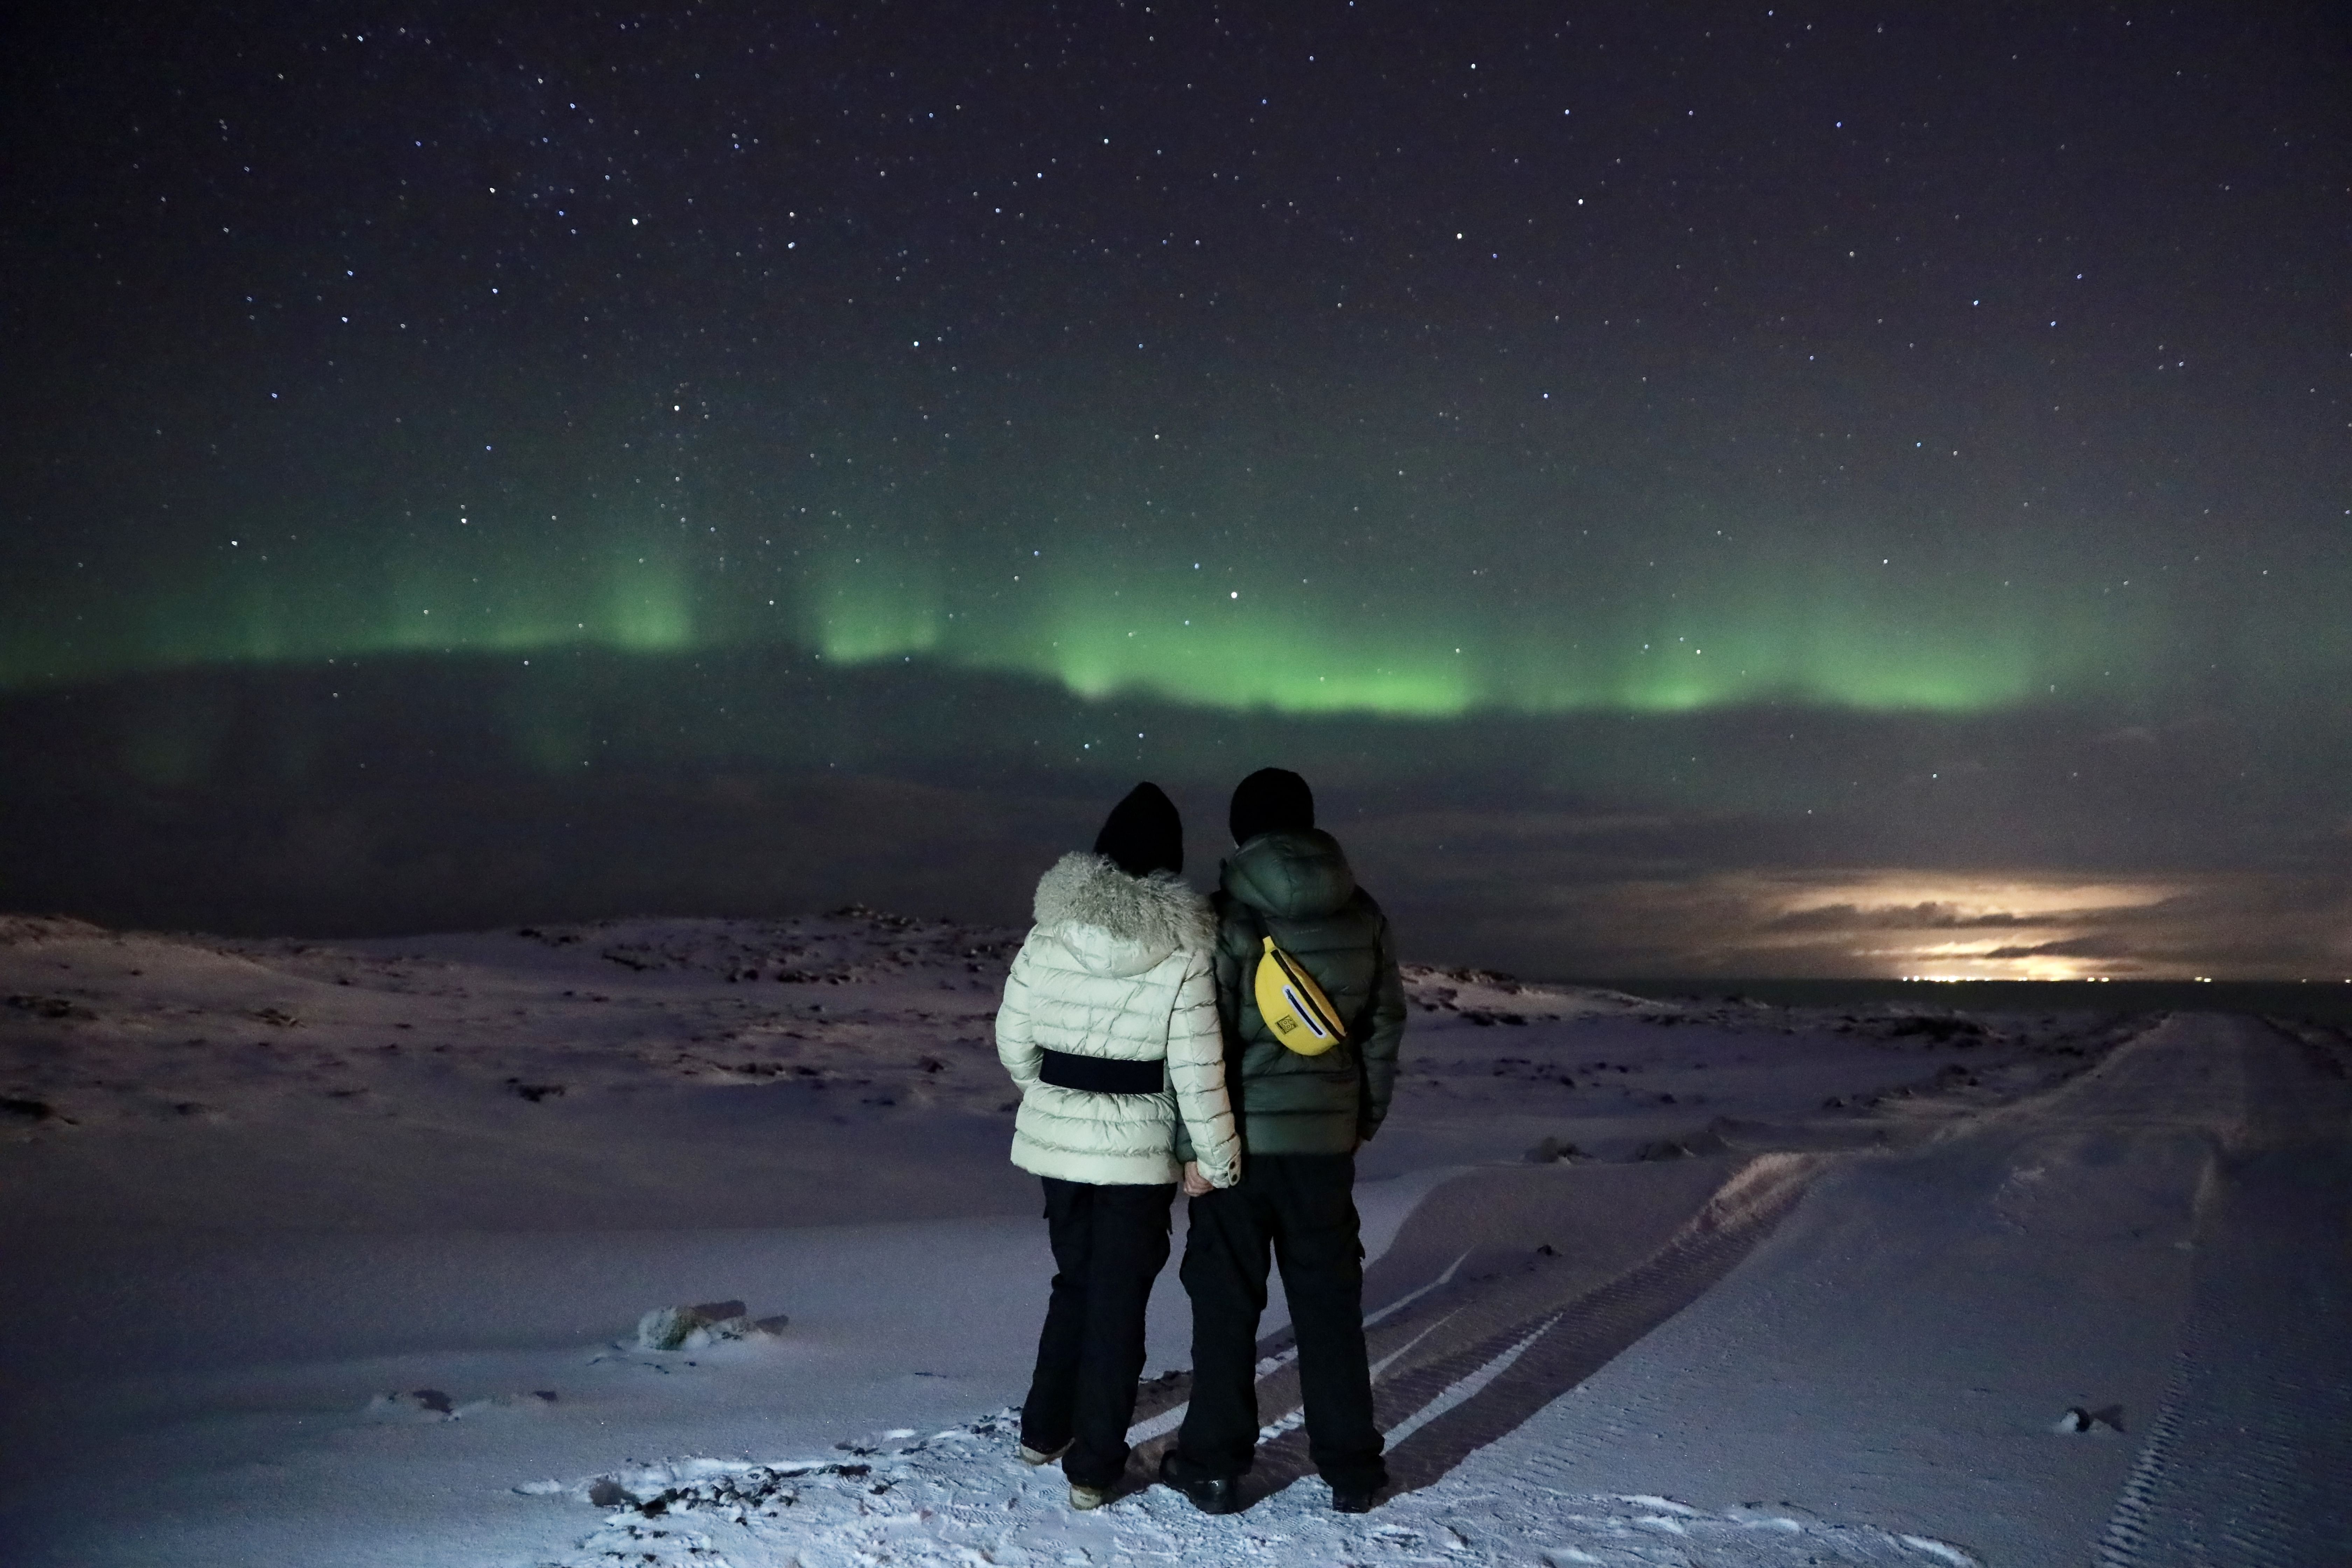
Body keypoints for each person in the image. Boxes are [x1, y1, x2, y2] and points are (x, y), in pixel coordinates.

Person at [1160, 766, 1406, 1516]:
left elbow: (1198, 1042)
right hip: (1323, 1147)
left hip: (1235, 1146)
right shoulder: (1362, 914)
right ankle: (1353, 1467)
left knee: (1226, 1305)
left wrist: (1189, 1146)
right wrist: (1359, 1118)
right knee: (1330, 1303)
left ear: (1242, 831)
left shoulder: (1224, 914)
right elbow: (1383, 1026)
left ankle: (1213, 1463)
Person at [995, 782, 1241, 1511]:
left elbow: (1014, 1038)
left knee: (1073, 1279)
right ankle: (1094, 1466)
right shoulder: (1185, 947)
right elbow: (1199, 1068)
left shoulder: (1050, 933)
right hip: (1138, 1152)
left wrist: (1051, 1096)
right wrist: (1215, 1158)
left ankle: (1043, 1430)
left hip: (1059, 1145)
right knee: (1118, 1299)